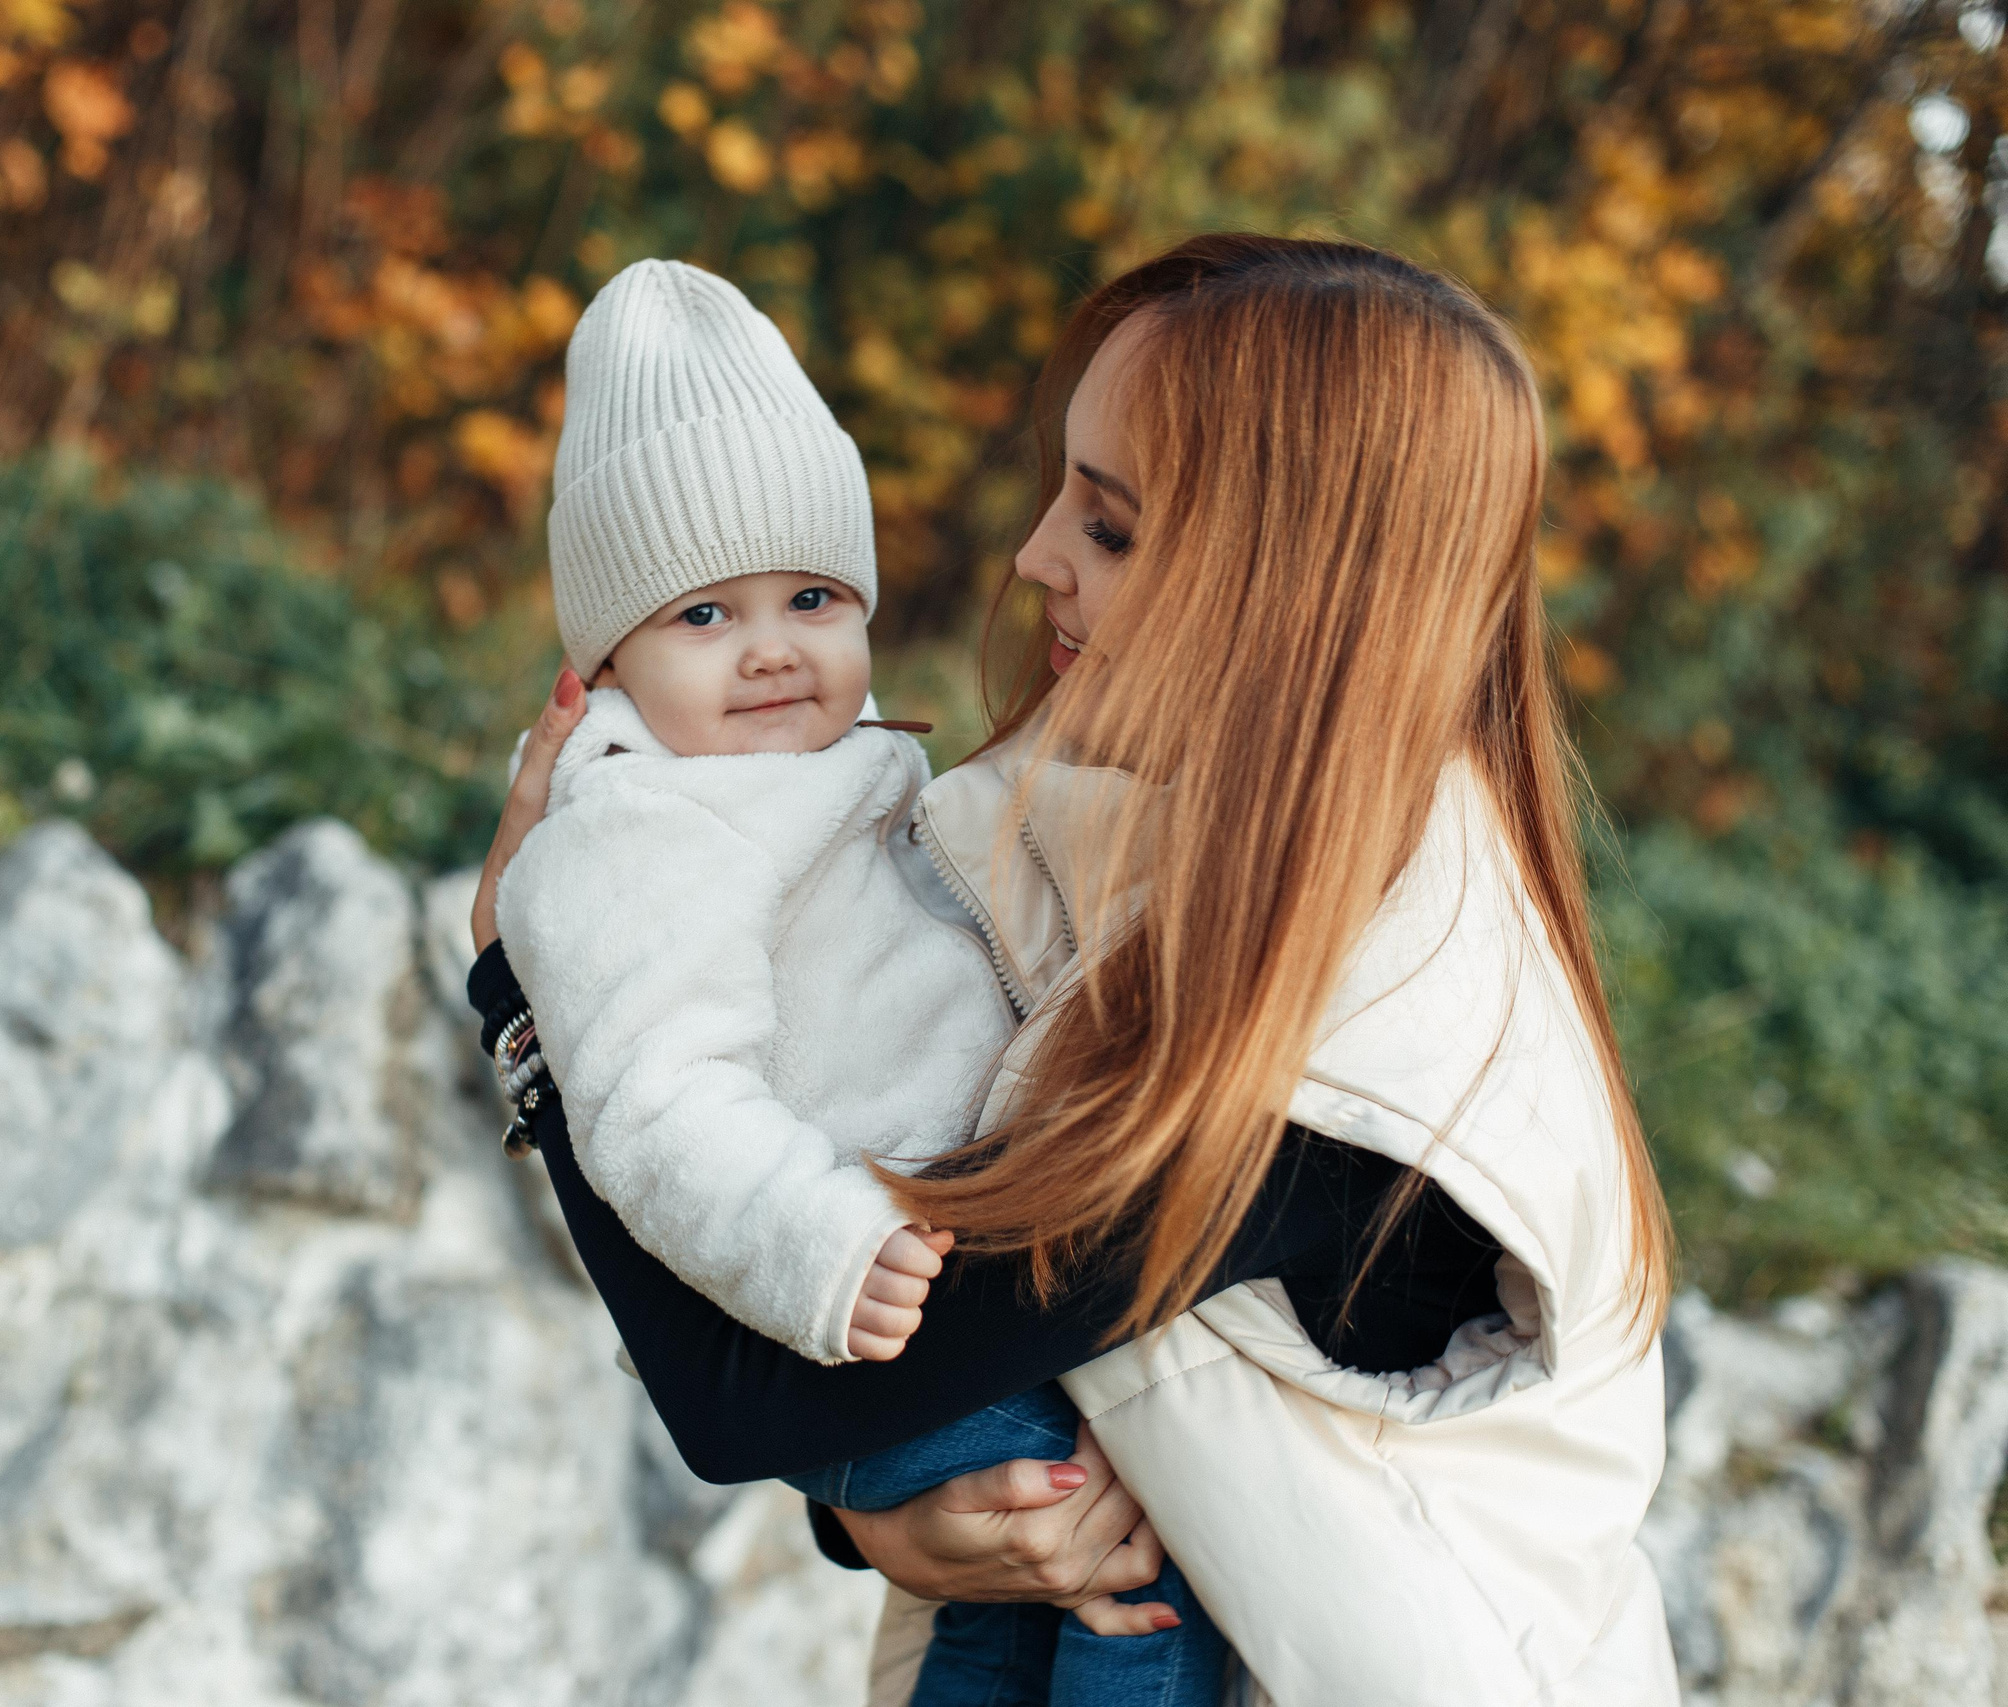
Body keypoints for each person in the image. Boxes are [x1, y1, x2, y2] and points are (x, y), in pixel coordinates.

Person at [471, 234, 1681, 1707]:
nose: (1034, 553)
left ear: (1290, 589)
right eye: (1063, 493)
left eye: (1108, 528)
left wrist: (520, 994)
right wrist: (895, 1519)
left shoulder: (1366, 1016)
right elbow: (976, 1339)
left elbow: (760, 1396)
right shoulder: (1130, 836)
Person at [492, 255, 1229, 1706]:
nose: (772, 650)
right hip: (837, 1292)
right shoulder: (641, 832)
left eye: (813, 596)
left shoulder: (835, 772)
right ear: (607, 662)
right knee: (1140, 1566)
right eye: (703, 617)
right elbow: (652, 1100)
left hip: (916, 1289)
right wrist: (821, 1243)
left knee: (1005, 1617)